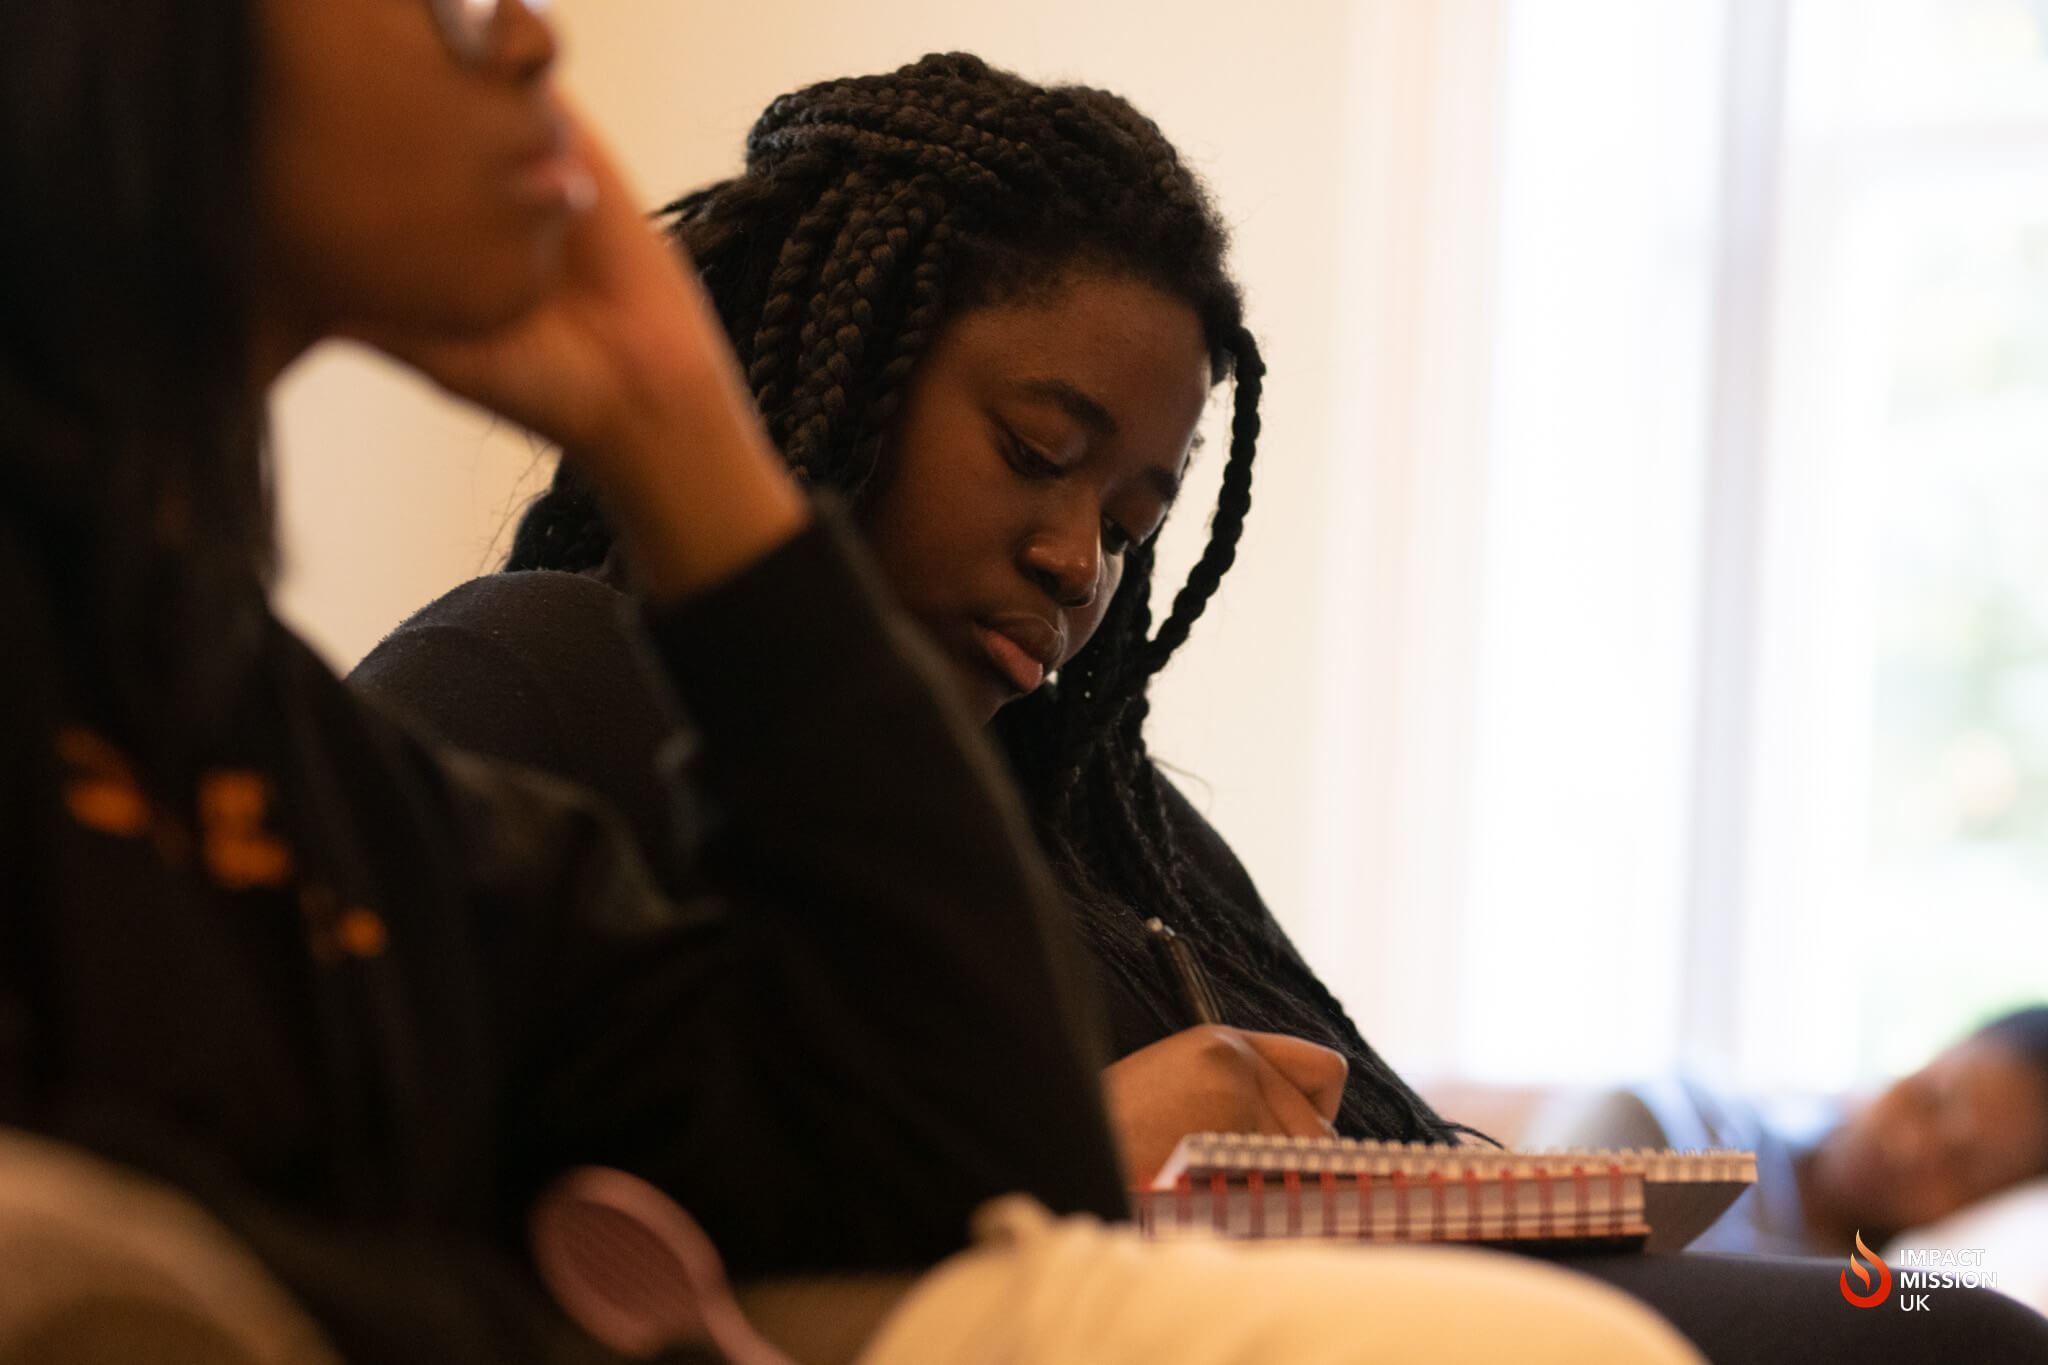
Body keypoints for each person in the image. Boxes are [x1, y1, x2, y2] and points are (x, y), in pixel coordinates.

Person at [0, 4, 1715, 1364]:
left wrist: (684, 432)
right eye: (454, 4)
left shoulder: (317, 778)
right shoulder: (509, 676)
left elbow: (957, 1163)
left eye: (1129, 516)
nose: (531, 42)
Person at [348, 53, 2048, 1364]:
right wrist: (1081, 1155)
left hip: (1402, 1295)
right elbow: (426, 1180)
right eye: (1033, 451)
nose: (1069, 557)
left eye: (1130, 522)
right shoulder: (542, 669)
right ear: (827, 365)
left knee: (1934, 1314)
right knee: (1946, 1340)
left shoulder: (1101, 814)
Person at [1529, 1006, 2048, 1258]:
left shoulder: (1891, 1314)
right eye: (1932, 1097)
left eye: (1963, 1168)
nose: (1911, 1147)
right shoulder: (1663, 1120)